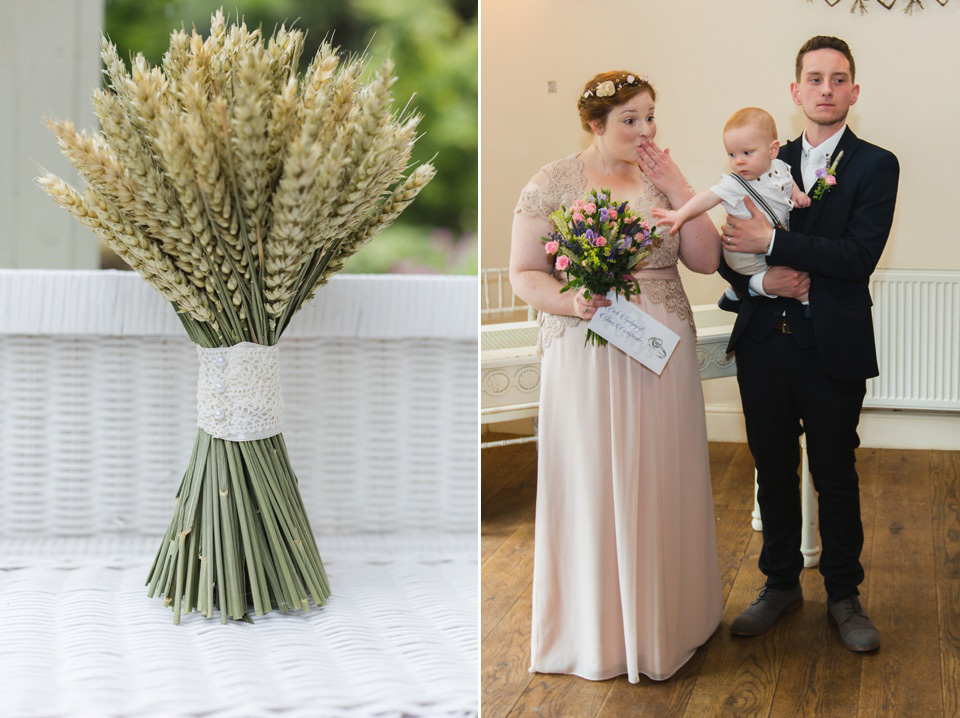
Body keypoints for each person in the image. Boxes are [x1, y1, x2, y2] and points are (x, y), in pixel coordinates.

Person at [509, 70, 723, 683]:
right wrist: (572, 299)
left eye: (650, 115)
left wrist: (681, 190)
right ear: (595, 124)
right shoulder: (552, 182)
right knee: (592, 479)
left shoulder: (661, 177)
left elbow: (706, 261)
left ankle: (674, 621)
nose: (645, 130)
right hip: (584, 345)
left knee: (662, 472)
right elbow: (526, 271)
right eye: (630, 119)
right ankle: (594, 629)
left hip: (661, 348)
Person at [718, 36, 899, 652]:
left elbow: (857, 257)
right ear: (796, 92)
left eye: (838, 78)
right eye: (815, 78)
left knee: (835, 471)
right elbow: (730, 247)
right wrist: (764, 273)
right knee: (771, 468)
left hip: (834, 345)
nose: (827, 88)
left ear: (853, 91)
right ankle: (779, 584)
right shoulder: (760, 156)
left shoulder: (877, 165)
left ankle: (845, 595)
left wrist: (775, 245)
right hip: (766, 341)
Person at [652, 107, 811, 306]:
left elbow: (788, 180)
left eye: (747, 152)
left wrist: (797, 194)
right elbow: (707, 198)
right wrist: (681, 214)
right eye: (732, 154)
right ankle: (803, 302)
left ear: (773, 150)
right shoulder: (734, 184)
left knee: (789, 257)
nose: (739, 161)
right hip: (744, 253)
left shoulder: (779, 166)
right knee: (791, 273)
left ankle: (734, 291)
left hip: (767, 241)